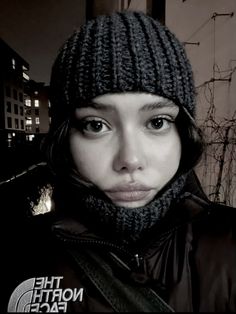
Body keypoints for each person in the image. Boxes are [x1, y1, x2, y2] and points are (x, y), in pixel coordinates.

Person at [3, 11, 236, 312]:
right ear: (64, 138)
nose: (130, 159)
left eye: (157, 122)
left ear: (184, 132)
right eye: (96, 125)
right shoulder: (16, 255)